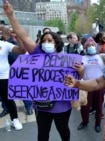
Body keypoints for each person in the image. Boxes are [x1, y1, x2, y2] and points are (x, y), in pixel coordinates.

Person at [4, 2, 82, 140]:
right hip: (41, 106)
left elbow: (80, 77)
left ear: (57, 43)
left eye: (49, 40)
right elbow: (23, 35)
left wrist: (81, 71)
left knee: (63, 130)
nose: (46, 43)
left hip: (62, 106)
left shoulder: (68, 59)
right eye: (44, 41)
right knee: (42, 134)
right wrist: (11, 15)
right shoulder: (37, 54)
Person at [77, 37, 105, 133]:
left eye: (92, 45)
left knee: (98, 105)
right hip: (86, 85)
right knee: (85, 106)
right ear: (85, 47)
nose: (91, 47)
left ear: (96, 46)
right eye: (88, 45)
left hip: (100, 85)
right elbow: (79, 71)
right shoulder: (82, 58)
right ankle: (85, 121)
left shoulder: (101, 56)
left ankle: (97, 124)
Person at [0, 25, 33, 117]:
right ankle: (6, 109)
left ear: (5, 32)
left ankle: (28, 106)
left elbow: (20, 54)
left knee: (21, 90)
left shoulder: (12, 43)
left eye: (1, 31)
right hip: (4, 74)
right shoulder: (2, 43)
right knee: (4, 93)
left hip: (17, 70)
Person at [0, 23, 26, 130]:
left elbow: (22, 51)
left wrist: (18, 36)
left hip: (3, 77)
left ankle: (15, 119)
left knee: (8, 100)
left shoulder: (4, 44)